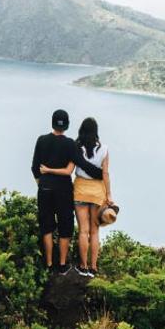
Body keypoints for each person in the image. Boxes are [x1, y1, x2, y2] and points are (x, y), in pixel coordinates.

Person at [31, 109, 101, 275]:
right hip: (63, 190)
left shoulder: (41, 140)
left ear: (52, 123)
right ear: (67, 125)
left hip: (45, 189)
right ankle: (62, 264)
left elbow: (35, 168)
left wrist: (42, 184)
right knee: (65, 226)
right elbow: (82, 164)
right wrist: (100, 175)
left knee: (46, 227)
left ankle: (48, 263)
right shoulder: (70, 144)